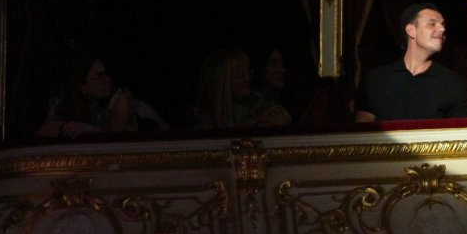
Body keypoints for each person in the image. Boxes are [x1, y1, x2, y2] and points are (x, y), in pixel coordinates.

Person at [356, 2, 467, 121]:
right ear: (411, 30)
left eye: (443, 25)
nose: (442, 29)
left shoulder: (453, 82)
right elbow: (362, 128)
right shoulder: (377, 79)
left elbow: (461, 130)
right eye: (432, 24)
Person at [36, 54, 167, 139]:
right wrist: (64, 126)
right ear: (82, 86)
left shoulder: (119, 99)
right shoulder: (65, 101)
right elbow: (44, 131)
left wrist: (88, 130)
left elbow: (118, 137)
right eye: (99, 76)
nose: (107, 80)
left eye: (105, 74)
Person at [191, 48, 291, 129]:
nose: (247, 78)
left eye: (246, 72)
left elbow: (283, 116)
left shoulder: (255, 103)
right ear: (222, 82)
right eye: (239, 74)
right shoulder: (201, 114)